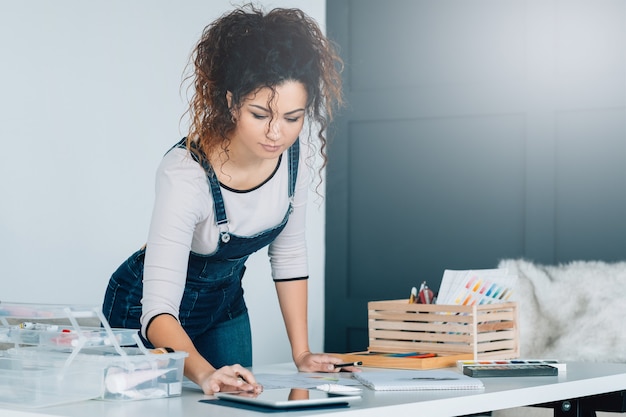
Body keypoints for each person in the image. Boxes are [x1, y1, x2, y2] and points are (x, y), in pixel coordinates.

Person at [102, 4, 355, 395]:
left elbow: (288, 255)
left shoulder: (294, 157)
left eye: (293, 117)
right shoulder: (186, 173)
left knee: (241, 402)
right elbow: (157, 310)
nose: (277, 133)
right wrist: (203, 373)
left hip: (224, 308)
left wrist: (302, 353)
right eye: (259, 114)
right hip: (145, 314)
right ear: (232, 101)